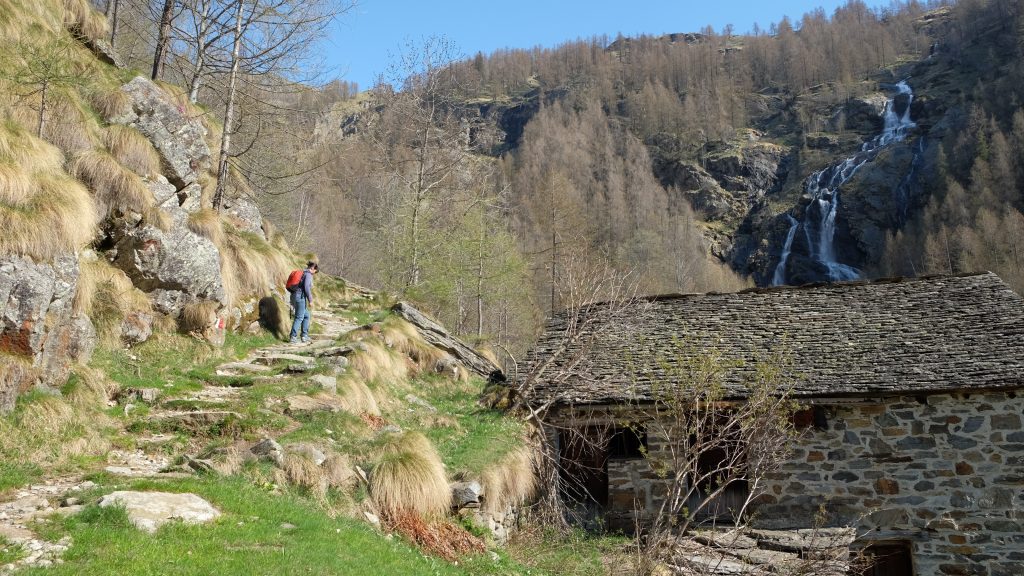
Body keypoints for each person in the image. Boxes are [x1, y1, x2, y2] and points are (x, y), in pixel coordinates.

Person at [289, 261, 318, 344]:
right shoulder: (308, 275)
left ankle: (304, 335)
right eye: (315, 272)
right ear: (313, 268)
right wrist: (310, 300)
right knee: (299, 317)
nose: (314, 274)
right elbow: (306, 288)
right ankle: (293, 336)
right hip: (300, 297)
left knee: (306, 315)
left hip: (294, 296)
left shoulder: (302, 272)